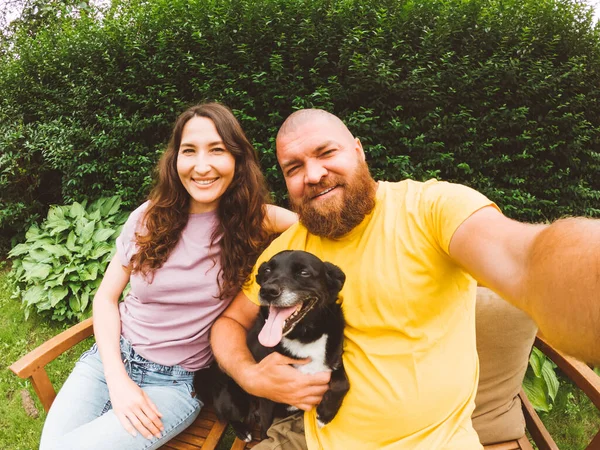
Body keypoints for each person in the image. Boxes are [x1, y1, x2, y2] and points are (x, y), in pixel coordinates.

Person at [210, 108, 600, 449]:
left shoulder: (431, 209)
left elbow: (529, 259)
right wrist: (250, 375)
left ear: (359, 151)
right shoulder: (289, 251)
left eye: (326, 152)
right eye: (293, 168)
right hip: (311, 437)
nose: (313, 174)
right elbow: (230, 323)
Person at [39, 102, 298, 450]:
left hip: (175, 385)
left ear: (237, 160)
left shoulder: (254, 221)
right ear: (175, 160)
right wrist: (117, 380)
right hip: (109, 361)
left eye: (217, 150)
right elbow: (105, 298)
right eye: (189, 151)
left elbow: (319, 225)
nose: (202, 166)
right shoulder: (148, 218)